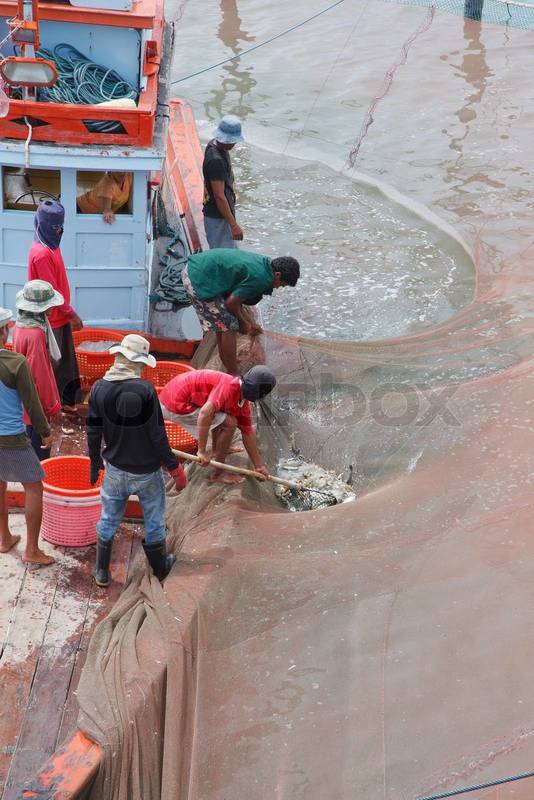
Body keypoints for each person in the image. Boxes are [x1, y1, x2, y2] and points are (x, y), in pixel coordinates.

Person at [86, 334, 187, 588]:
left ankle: (101, 571)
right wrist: (174, 467)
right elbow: (157, 435)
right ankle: (161, 567)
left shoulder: (99, 388)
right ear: (138, 362)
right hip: (147, 472)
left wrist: (94, 462)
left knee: (109, 518)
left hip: (115, 470)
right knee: (154, 519)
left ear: (120, 357)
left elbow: (93, 431)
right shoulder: (145, 390)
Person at [181, 248, 300, 376]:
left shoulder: (264, 266)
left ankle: (228, 362)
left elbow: (236, 301)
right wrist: (243, 323)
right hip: (197, 278)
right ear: (277, 275)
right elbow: (231, 303)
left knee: (223, 324)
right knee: (230, 326)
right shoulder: (261, 279)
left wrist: (252, 323)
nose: (277, 287)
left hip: (198, 269)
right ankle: (233, 373)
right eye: (281, 284)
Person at [0, 307, 55, 566]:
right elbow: (32, 404)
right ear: (4, 331)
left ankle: (4, 538)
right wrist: (45, 433)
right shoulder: (15, 363)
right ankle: (32, 549)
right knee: (34, 486)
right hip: (12, 437)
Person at [159, 365, 276, 484]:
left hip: (173, 394)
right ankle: (218, 474)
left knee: (222, 416)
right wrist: (201, 451)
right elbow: (205, 413)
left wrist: (259, 466)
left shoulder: (241, 401)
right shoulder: (229, 388)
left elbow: (247, 433)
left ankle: (217, 450)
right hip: (173, 401)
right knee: (230, 423)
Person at [28, 199, 83, 413]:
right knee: (53, 365)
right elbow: (51, 293)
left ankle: (68, 403)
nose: (59, 232)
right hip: (51, 319)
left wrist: (67, 314)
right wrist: (72, 314)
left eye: (61, 228)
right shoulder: (41, 254)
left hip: (61, 316)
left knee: (67, 364)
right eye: (55, 228)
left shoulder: (51, 244)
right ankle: (50, 408)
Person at [13, 280, 63, 461]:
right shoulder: (36, 334)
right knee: (38, 461)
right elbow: (39, 377)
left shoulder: (20, 325)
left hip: (22, 404)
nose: (53, 308)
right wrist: (52, 407)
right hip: (34, 410)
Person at [202, 115, 244, 248]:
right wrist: (233, 225)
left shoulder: (213, 145)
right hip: (218, 217)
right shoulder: (216, 161)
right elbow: (219, 196)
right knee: (224, 253)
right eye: (233, 141)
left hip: (218, 213)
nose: (234, 144)